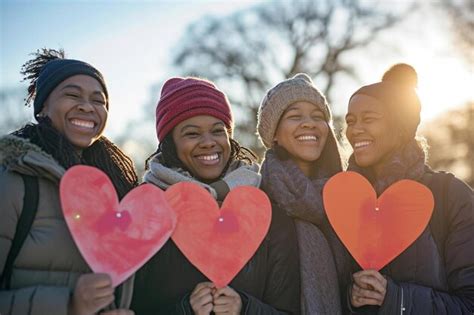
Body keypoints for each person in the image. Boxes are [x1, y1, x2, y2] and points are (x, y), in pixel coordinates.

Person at [130, 76, 301, 314]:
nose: (209, 142)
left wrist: (245, 308)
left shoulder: (266, 212)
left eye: (218, 131)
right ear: (170, 143)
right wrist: (183, 311)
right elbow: (128, 305)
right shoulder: (144, 211)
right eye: (192, 134)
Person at [0, 49, 139, 315]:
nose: (87, 106)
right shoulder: (14, 178)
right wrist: (70, 305)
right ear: (43, 107)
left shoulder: (118, 187)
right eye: (72, 95)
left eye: (99, 100)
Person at [344, 63, 474, 314]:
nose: (355, 129)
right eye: (351, 120)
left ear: (400, 126)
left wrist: (396, 298)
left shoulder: (450, 195)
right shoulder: (344, 200)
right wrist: (350, 298)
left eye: (368, 119)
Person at [257, 73, 351, 314]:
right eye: (295, 116)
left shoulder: (350, 197)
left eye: (318, 116)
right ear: (274, 134)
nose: (309, 123)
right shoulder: (257, 202)